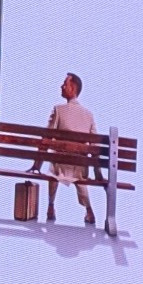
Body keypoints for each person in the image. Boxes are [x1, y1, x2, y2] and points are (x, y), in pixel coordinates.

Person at [38, 72, 98, 226]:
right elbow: (95, 147)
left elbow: (46, 138)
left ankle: (50, 206)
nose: (62, 86)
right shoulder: (89, 115)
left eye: (65, 84)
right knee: (80, 175)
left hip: (59, 165)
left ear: (73, 88)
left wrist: (36, 165)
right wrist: (98, 173)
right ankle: (89, 210)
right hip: (79, 167)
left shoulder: (58, 110)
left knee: (54, 167)